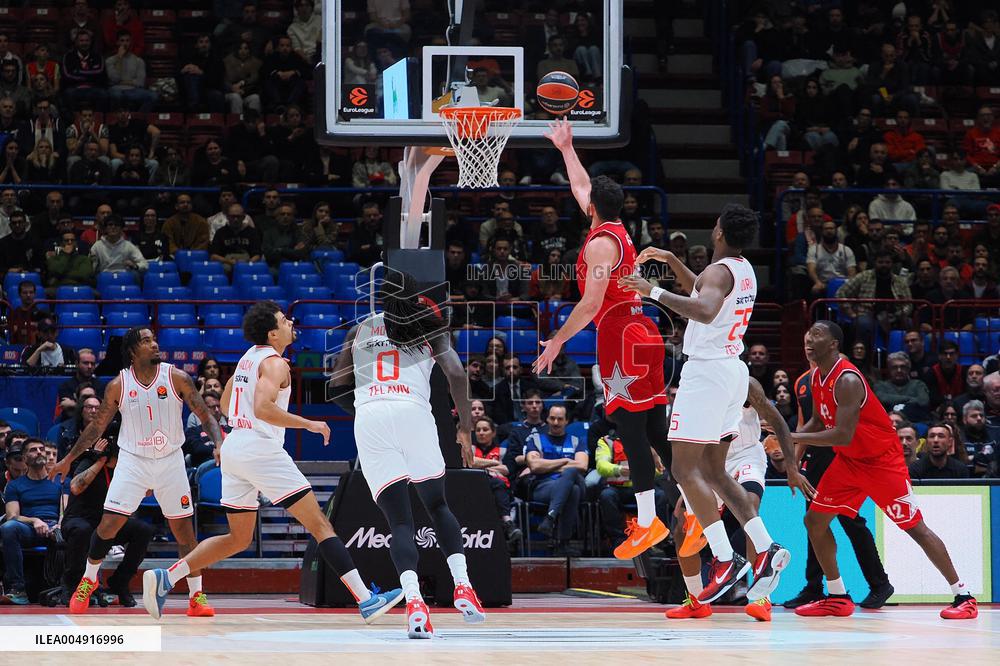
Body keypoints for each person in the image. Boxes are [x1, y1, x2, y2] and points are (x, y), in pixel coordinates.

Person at [143, 303, 403, 623]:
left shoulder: (246, 359)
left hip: (237, 446)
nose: (290, 322)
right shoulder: (275, 363)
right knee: (321, 526)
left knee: (238, 538)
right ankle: (367, 599)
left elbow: (225, 404)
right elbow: (264, 409)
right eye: (283, 320)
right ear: (272, 332)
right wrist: (308, 424)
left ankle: (166, 578)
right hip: (259, 447)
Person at [619, 206, 807, 604]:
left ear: (718, 230)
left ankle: (724, 557)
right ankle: (766, 547)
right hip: (732, 372)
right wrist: (671, 262)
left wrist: (649, 291)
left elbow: (703, 310)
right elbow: (704, 294)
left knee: (684, 469)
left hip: (706, 375)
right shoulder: (741, 269)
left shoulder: (720, 271)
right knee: (715, 472)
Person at [533, 119, 670, 561]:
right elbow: (582, 186)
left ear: (593, 206)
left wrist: (556, 341)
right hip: (643, 329)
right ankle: (700, 509)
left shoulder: (598, 246)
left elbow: (591, 305)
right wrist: (567, 147)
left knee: (630, 430)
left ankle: (649, 523)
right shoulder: (615, 229)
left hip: (620, 334)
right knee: (655, 432)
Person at [330, 271, 486, 638]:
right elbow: (458, 376)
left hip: (370, 416)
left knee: (399, 522)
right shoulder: (428, 325)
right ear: (417, 298)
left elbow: (337, 388)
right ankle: (463, 586)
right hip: (412, 412)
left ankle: (415, 603)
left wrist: (366, 412)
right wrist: (464, 428)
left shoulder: (359, 330)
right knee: (437, 506)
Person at [791, 320, 978, 619]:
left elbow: (842, 434)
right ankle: (838, 595)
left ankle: (963, 596)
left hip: (881, 463)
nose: (808, 338)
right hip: (849, 462)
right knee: (814, 520)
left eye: (816, 335)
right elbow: (816, 420)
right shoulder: (816, 375)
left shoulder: (848, 379)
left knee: (915, 528)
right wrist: (794, 457)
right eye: (808, 333)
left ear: (834, 344)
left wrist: (793, 437)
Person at [50, 327, 223, 616]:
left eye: (154, 340)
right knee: (108, 525)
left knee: (183, 532)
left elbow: (205, 415)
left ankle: (196, 596)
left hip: (170, 460)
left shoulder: (177, 377)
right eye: (146, 341)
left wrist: (219, 443)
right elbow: (97, 426)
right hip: (133, 460)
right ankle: (89, 580)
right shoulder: (119, 384)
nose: (154, 344)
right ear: (132, 351)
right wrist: (69, 459)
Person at [668, 377, 801, 622]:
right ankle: (697, 600)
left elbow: (777, 420)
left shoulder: (745, 382)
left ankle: (762, 599)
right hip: (708, 462)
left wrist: (792, 468)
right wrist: (686, 489)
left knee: (749, 506)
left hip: (746, 455)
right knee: (682, 529)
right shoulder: (696, 381)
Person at [62, 436, 154, 608]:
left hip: (109, 522)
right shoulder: (90, 461)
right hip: (80, 518)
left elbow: (148, 492)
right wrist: (99, 461)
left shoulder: (126, 471)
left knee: (143, 530)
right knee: (82, 530)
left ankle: (120, 581)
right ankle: (72, 583)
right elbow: (75, 487)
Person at [1, 437, 64, 605]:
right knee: (9, 528)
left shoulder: (59, 482)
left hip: (57, 527)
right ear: (24, 457)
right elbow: (12, 515)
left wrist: (58, 526)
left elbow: (66, 511)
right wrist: (35, 520)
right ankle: (17, 589)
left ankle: (89, 588)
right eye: (33, 450)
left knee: (82, 528)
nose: (39, 452)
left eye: (41, 449)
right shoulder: (15, 486)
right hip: (30, 529)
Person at [525, 404, 587, 556]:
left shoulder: (575, 440)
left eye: (560, 419)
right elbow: (534, 465)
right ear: (547, 419)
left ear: (566, 421)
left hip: (570, 481)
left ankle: (550, 518)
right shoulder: (536, 439)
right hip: (543, 487)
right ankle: (562, 543)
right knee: (573, 490)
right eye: (552, 418)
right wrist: (565, 461)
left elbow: (582, 465)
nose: (556, 422)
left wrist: (546, 464)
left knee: (572, 474)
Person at [471, 416, 522, 545]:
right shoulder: (469, 449)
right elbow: (470, 462)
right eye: (478, 430)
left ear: (493, 433)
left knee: (497, 483)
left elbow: (507, 469)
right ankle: (507, 522)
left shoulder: (503, 451)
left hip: (500, 490)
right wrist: (493, 463)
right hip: (473, 490)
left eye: (485, 429)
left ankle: (507, 525)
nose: (481, 433)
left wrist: (481, 464)